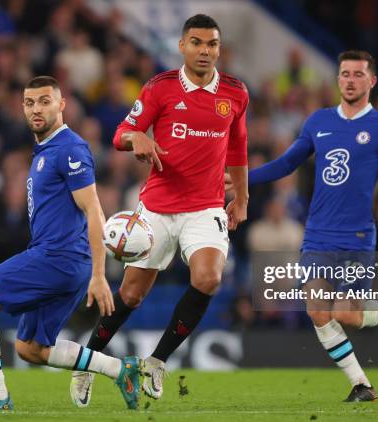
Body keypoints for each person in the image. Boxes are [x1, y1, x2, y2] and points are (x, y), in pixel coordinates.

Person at [70, 14, 249, 406]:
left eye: (212, 44)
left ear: (219, 49)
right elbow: (120, 133)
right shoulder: (160, 88)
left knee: (209, 278)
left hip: (205, 208)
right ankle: (88, 361)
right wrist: (137, 137)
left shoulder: (235, 93)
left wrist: (243, 198)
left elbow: (238, 149)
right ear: (182, 46)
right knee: (131, 296)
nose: (205, 51)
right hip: (158, 208)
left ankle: (157, 361)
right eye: (197, 42)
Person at [232, 50, 378, 402]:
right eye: (344, 74)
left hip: (356, 236)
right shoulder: (318, 121)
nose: (350, 80)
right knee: (317, 310)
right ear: (337, 79)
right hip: (318, 233)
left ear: (371, 81)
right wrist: (243, 179)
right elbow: (286, 163)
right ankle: (361, 385)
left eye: (358, 74)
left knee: (346, 314)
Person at [0, 76, 141, 411]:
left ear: (61, 105)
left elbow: (94, 209)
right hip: (63, 262)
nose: (36, 109)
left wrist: (100, 275)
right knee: (30, 349)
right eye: (29, 103)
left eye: (44, 101)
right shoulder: (45, 150)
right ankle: (119, 369)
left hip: (57, 259)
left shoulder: (69, 148)